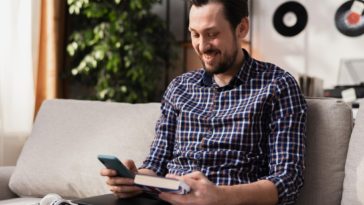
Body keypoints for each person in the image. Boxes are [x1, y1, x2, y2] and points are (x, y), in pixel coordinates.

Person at [100, 0, 307, 204]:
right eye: (195, 34)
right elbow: (156, 162)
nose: (202, 46)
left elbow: (287, 181)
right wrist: (134, 179)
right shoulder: (179, 88)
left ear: (242, 28)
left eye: (212, 34)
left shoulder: (277, 86)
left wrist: (220, 196)